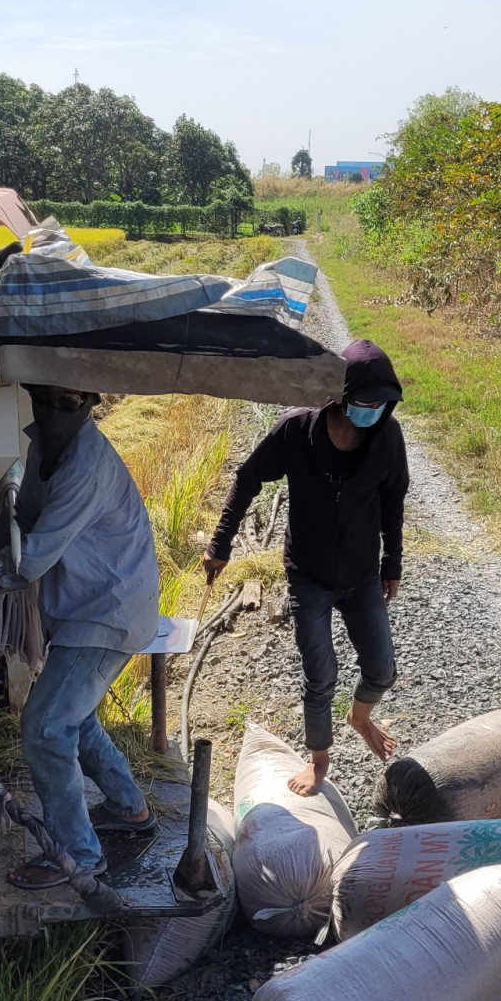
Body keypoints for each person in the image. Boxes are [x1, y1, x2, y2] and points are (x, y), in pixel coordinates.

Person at [202, 339, 409, 797]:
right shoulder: (298, 431)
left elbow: (394, 501)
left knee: (382, 669)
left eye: (380, 405)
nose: (370, 412)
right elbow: (247, 478)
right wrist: (222, 543)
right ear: (339, 396)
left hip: (361, 575)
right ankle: (319, 760)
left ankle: (360, 716)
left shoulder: (386, 439)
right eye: (362, 403)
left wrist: (392, 562)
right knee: (320, 673)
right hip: (309, 575)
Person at [5, 385, 163, 891]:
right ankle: (129, 808)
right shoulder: (43, 450)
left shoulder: (84, 467)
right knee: (75, 717)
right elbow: (25, 518)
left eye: (68, 401)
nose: (55, 409)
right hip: (92, 608)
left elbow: (31, 558)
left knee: (46, 726)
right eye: (47, 398)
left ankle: (75, 855)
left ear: (90, 402)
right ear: (31, 397)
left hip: (108, 612)